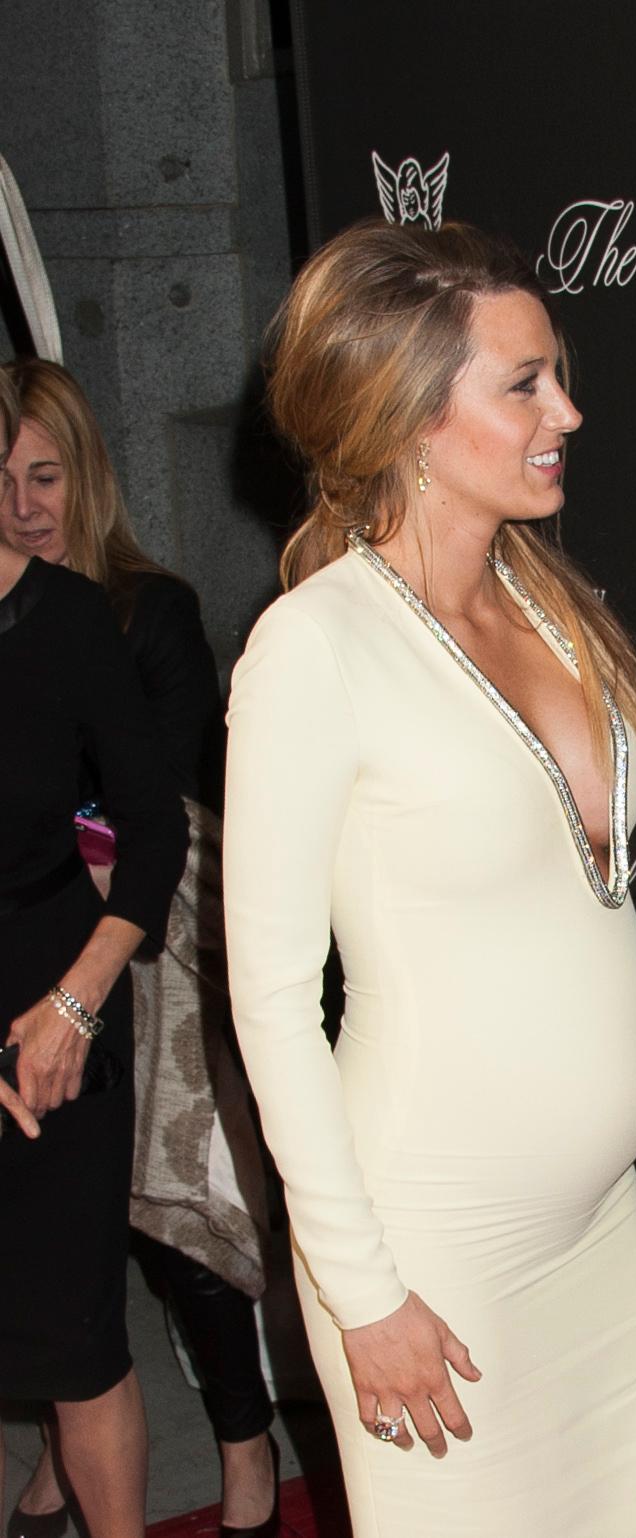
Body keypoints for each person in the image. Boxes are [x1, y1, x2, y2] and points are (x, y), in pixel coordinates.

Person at [221, 218, 636, 1538]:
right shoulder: (312, 651)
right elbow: (268, 1005)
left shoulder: (541, 598)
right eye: (524, 383)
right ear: (404, 414)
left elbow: (572, 903)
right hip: (434, 1248)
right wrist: (364, 1294)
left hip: (595, 1228)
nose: (568, 408)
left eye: (554, 372)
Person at [0, 358, 280, 1538]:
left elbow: (170, 801)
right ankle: (60, 1471)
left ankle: (244, 1446)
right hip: (74, 944)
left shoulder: (125, 607)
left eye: (44, 475)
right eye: (5, 478)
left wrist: (76, 991)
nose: (24, 502)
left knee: (172, 1239)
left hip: (135, 961)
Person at [0, 364, 189, 1538]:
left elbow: (155, 827)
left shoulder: (69, 619)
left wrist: (74, 1003)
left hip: (56, 991)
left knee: (77, 1336)